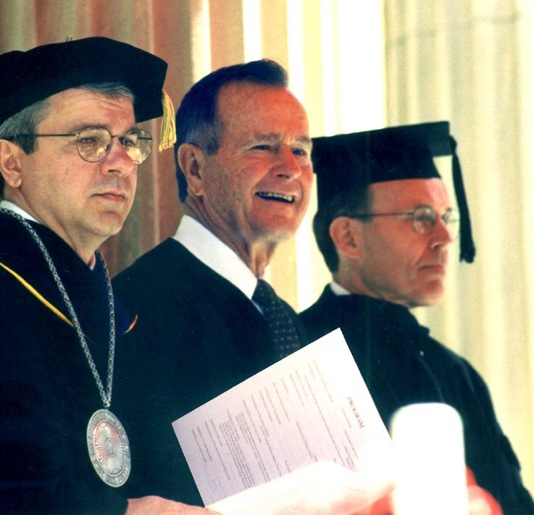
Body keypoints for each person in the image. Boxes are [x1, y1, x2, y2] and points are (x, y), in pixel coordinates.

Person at [0, 37, 209, 514]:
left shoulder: (109, 305)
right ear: (12, 163)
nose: (120, 162)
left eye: (130, 141)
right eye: (89, 141)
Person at [301, 122, 534, 514]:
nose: (444, 237)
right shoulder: (296, 351)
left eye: (446, 217)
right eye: (422, 217)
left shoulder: (457, 372)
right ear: (348, 237)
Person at [112, 59, 313, 505]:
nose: (291, 168)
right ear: (195, 170)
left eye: (301, 151)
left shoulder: (285, 319)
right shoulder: (131, 310)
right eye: (262, 147)